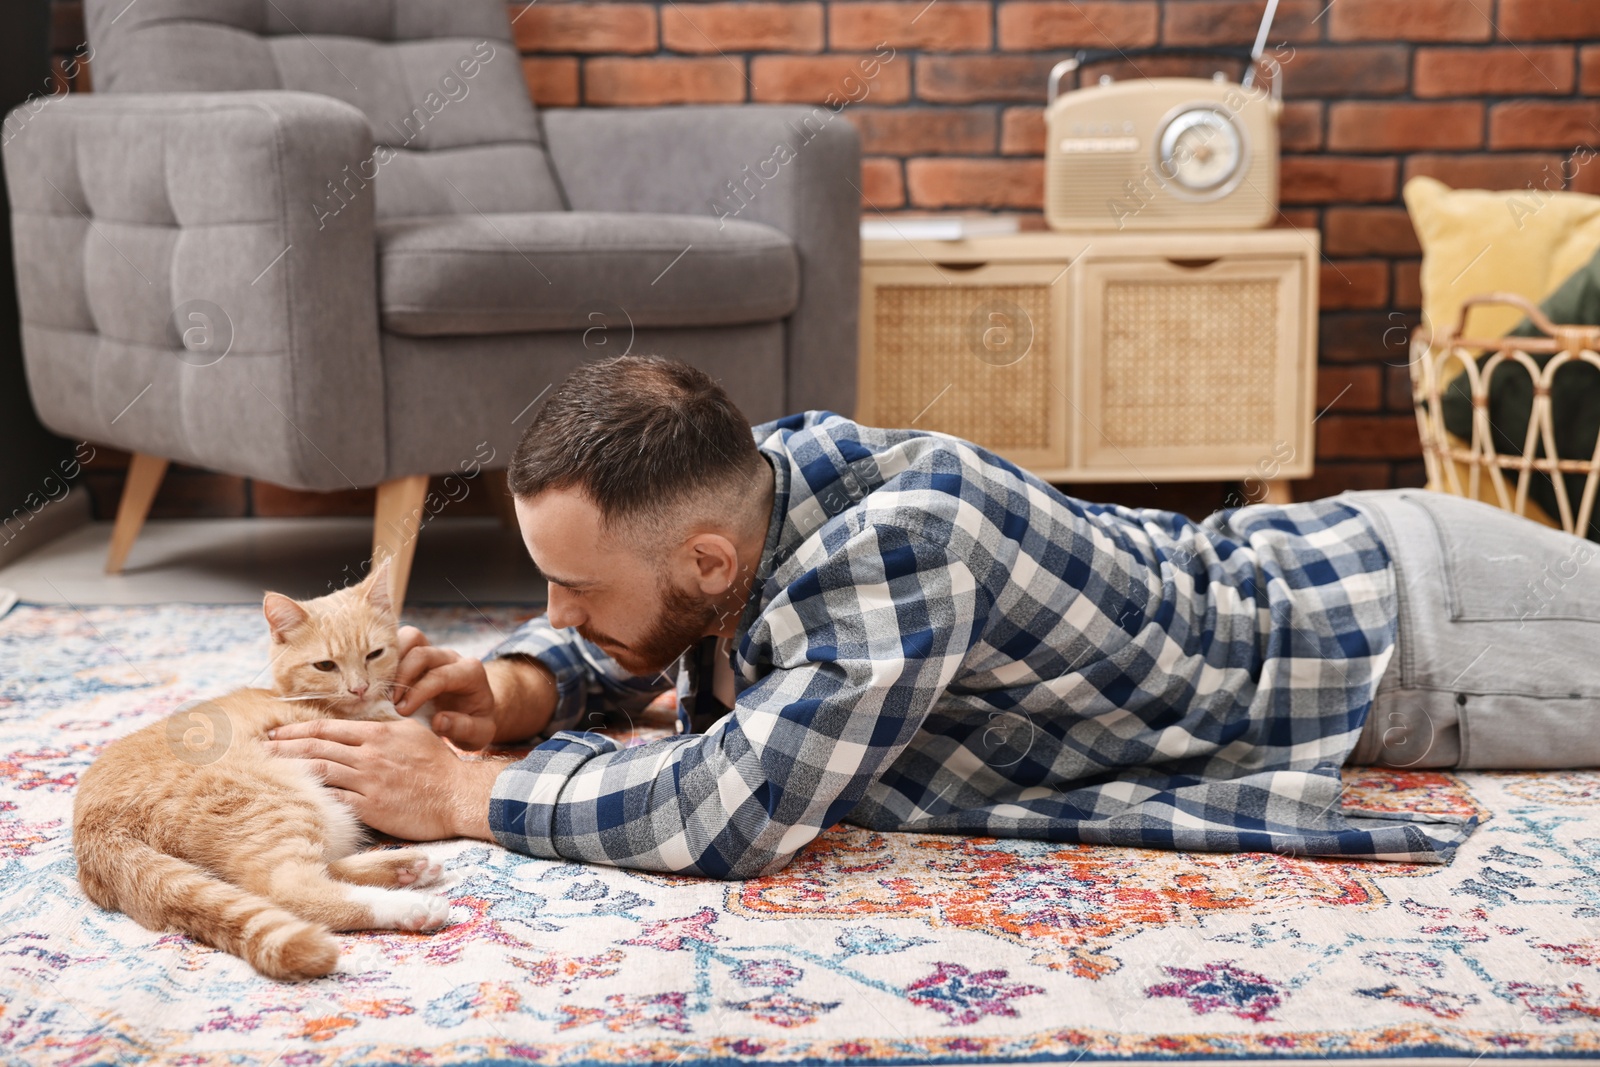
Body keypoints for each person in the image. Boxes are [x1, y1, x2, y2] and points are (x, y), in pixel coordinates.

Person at [263, 355, 1600, 878]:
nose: (548, 612)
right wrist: (529, 692)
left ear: (714, 563)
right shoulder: (763, 469)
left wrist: (470, 795)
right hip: (1334, 550)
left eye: (571, 593)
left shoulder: (904, 555)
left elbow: (731, 809)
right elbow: (654, 626)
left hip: (1436, 636)